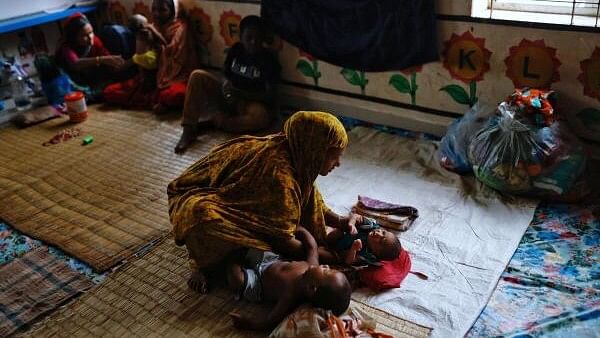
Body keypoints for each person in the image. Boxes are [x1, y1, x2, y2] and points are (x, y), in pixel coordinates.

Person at [168, 111, 356, 295]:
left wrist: (340, 221)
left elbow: (311, 203)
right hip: (199, 200)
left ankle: (238, 256)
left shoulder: (298, 155)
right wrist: (331, 255)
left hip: (239, 202)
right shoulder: (282, 179)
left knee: (266, 249)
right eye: (334, 156)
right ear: (315, 151)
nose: (338, 163)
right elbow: (283, 241)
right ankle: (205, 266)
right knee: (202, 216)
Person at [174, 15, 281, 153]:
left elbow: (269, 96)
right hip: (227, 95)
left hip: (249, 102)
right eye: (249, 38)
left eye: (258, 38)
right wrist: (225, 83)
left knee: (260, 117)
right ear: (241, 36)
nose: (253, 42)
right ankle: (188, 129)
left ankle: (217, 122)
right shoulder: (236, 49)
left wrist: (240, 94)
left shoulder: (269, 59)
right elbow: (224, 72)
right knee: (197, 75)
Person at [226, 226, 351, 331]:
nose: (326, 265)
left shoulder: (290, 296)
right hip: (270, 260)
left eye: (326, 271)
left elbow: (270, 322)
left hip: (258, 283)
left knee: (237, 279)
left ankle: (229, 261)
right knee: (254, 242)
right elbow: (311, 246)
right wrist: (296, 228)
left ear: (312, 288)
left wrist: (248, 324)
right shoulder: (312, 265)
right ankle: (239, 254)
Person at [103, 0, 199, 111]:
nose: (156, 14)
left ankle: (160, 100)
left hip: (176, 77)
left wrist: (156, 46)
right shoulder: (150, 27)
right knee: (109, 91)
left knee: (175, 95)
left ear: (173, 11)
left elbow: (174, 56)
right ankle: (157, 100)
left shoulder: (181, 28)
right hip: (150, 78)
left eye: (162, 10)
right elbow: (142, 57)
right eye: (154, 9)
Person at [55, 12, 126, 101]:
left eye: (91, 32)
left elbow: (105, 55)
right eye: (84, 35)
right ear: (73, 37)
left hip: (90, 78)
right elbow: (75, 64)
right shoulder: (66, 47)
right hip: (73, 80)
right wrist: (100, 60)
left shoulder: (95, 41)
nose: (90, 37)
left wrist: (113, 63)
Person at [103, 22, 165, 108]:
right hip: (143, 82)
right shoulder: (151, 51)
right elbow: (126, 64)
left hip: (152, 85)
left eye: (140, 41)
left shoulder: (150, 54)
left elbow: (122, 66)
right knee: (110, 91)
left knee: (109, 92)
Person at [325, 215, 402, 266]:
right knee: (343, 225)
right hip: (339, 235)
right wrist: (351, 224)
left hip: (338, 252)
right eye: (383, 232)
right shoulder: (371, 226)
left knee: (335, 259)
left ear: (376, 252)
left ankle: (323, 244)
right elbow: (355, 216)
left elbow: (349, 262)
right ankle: (326, 232)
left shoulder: (367, 255)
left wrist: (354, 249)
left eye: (380, 241)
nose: (378, 233)